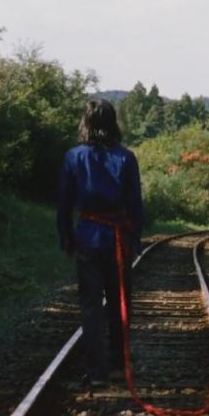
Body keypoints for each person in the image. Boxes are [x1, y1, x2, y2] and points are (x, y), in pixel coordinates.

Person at [57, 99, 144, 386]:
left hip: (87, 237)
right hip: (118, 237)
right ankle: (118, 364)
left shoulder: (74, 157)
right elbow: (135, 205)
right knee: (120, 301)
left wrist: (66, 237)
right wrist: (135, 239)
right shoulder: (126, 158)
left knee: (91, 305)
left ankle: (96, 371)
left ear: (87, 123)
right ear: (113, 123)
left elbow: (64, 204)